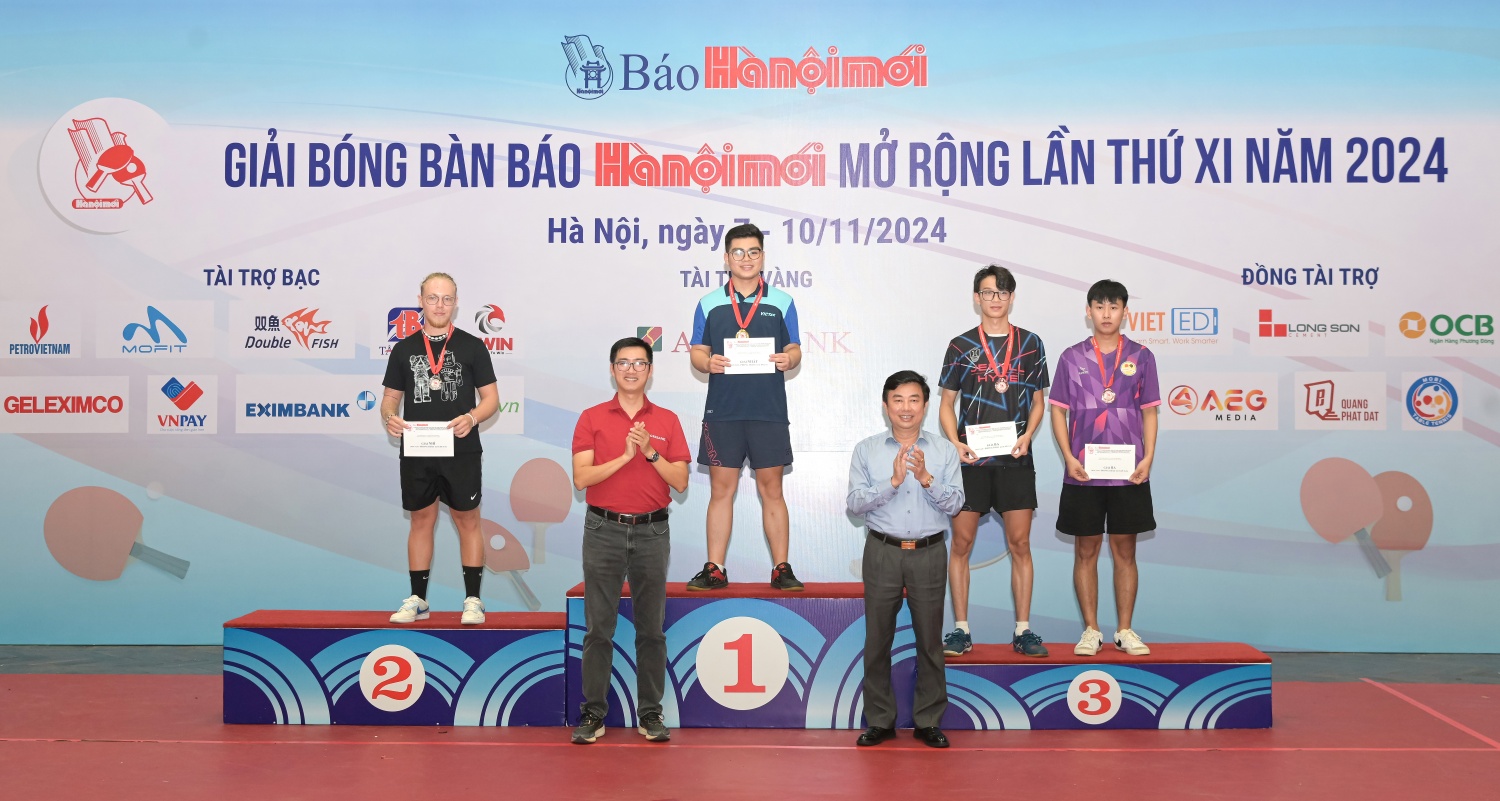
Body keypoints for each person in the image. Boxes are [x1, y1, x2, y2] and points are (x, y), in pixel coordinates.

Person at [569, 337, 691, 745]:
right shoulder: (591, 417)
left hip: (652, 531)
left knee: (651, 630)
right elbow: (582, 478)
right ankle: (593, 713)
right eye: (623, 363)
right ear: (612, 369)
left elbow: (680, 482)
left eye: (640, 363)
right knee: (598, 629)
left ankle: (650, 712)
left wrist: (650, 453)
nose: (631, 370)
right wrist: (625, 456)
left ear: (650, 371)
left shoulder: (667, 420)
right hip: (602, 530)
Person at [938, 266, 1051, 658]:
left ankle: (1023, 630)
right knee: (961, 544)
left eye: (1003, 292)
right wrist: (955, 443)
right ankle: (961, 630)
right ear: (977, 298)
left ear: (1012, 297)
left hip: (1015, 460)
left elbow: (1038, 402)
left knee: (1020, 544)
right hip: (971, 462)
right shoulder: (960, 346)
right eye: (988, 292)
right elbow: (947, 403)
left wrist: (1027, 435)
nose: (996, 299)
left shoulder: (1031, 343)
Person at [847, 371, 964, 749]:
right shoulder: (866, 450)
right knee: (877, 640)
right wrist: (893, 482)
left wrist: (926, 478)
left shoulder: (944, 451)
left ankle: (928, 721)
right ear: (886, 406)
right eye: (898, 400)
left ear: (925, 406)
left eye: (914, 400)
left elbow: (956, 504)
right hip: (882, 551)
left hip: (929, 552)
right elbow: (855, 504)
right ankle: (880, 721)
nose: (906, 407)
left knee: (930, 641)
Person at [686, 222, 804, 591]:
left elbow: (794, 347)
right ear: (727, 258)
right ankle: (715, 568)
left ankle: (781, 568)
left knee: (773, 491)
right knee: (721, 492)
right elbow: (697, 351)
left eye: (753, 251)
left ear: (762, 257)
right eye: (738, 252)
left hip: (768, 411)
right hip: (723, 412)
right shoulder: (709, 303)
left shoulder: (782, 301)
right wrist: (708, 363)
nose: (746, 258)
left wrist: (790, 359)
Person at [1047, 279, 1161, 657]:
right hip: (1083, 473)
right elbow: (1058, 411)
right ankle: (1091, 630)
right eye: (1100, 306)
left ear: (1125, 312)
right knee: (1086, 551)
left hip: (1129, 473)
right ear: (1089, 311)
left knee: (1125, 552)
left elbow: (1149, 412)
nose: (1106, 314)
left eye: (1114, 307)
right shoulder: (1071, 357)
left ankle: (1125, 630)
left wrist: (1148, 457)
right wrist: (1069, 457)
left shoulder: (1142, 356)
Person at [380, 272, 499, 625]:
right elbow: (389, 400)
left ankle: (473, 601)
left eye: (447, 299)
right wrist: (390, 417)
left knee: (468, 520)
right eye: (432, 298)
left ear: (456, 303)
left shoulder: (473, 346)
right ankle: (418, 599)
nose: (440, 305)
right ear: (420, 300)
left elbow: (491, 399)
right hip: (418, 449)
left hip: (461, 449)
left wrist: (472, 418)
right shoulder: (403, 349)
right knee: (421, 520)